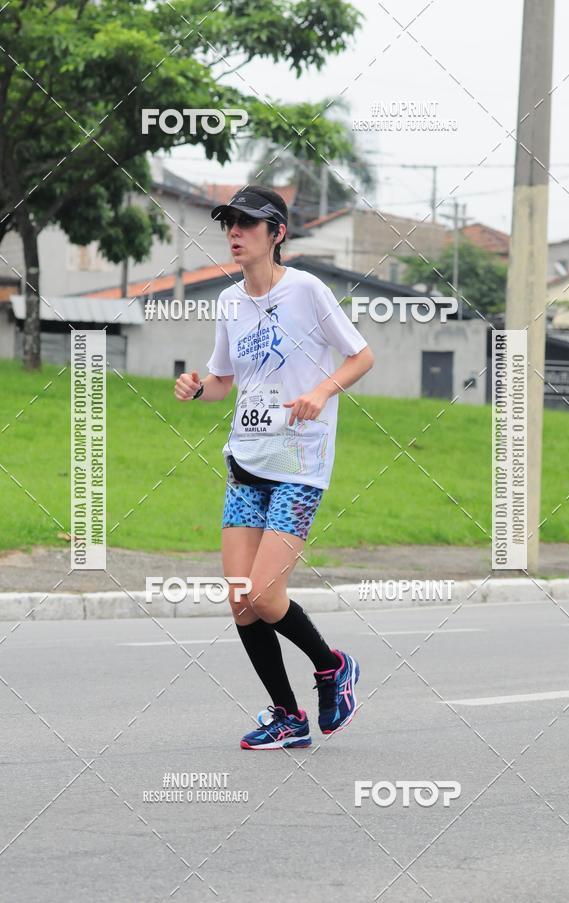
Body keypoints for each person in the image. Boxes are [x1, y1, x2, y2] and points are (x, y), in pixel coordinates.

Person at [174, 185, 374, 750]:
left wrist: (320, 391)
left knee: (265, 594)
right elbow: (221, 381)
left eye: (247, 224)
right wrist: (195, 389)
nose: (234, 233)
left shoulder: (308, 290)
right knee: (240, 597)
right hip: (247, 459)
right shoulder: (229, 302)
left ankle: (332, 665)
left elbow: (362, 355)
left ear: (277, 233)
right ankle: (287, 717)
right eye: (228, 224)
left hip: (299, 461)